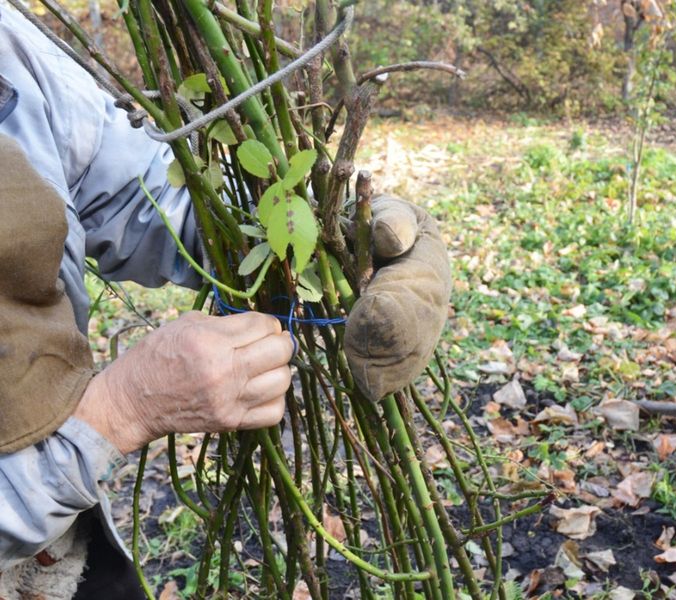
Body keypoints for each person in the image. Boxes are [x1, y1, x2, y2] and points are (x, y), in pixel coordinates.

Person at [0, 5, 451, 599]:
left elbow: (138, 194)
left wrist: (326, 239)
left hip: (62, 553)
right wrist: (116, 414)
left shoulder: (8, 41)